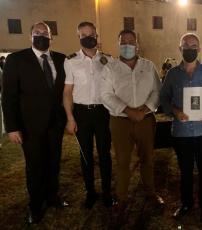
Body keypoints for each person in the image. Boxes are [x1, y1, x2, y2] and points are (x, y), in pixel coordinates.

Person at [1, 22, 69, 224]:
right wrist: (12, 127)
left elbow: (65, 91)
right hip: (30, 126)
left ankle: (52, 196)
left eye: (45, 33)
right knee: (35, 166)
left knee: (54, 162)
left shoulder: (61, 59)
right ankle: (35, 205)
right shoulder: (16, 60)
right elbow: (8, 97)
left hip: (55, 124)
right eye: (36, 33)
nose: (41, 36)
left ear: (51, 37)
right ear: (30, 36)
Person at [160, 33, 202, 222]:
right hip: (182, 132)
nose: (190, 48)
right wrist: (175, 111)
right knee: (185, 170)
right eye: (186, 45)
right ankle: (186, 203)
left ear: (199, 48)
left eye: (193, 45)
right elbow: (163, 99)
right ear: (180, 48)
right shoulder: (172, 74)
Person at [100, 29, 163, 214]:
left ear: (137, 44)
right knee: (122, 161)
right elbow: (106, 95)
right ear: (118, 44)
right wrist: (128, 111)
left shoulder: (148, 66)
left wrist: (143, 110)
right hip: (120, 120)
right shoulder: (110, 68)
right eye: (123, 41)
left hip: (145, 119)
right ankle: (121, 197)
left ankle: (150, 192)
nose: (127, 45)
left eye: (131, 41)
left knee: (147, 158)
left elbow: (157, 91)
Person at [63, 21, 116, 209]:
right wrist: (70, 118)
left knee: (104, 155)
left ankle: (108, 193)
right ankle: (91, 193)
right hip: (81, 113)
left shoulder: (109, 60)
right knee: (85, 155)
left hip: (103, 113)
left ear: (96, 35)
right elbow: (67, 92)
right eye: (83, 34)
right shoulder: (70, 61)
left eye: (91, 33)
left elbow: (115, 89)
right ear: (78, 37)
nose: (88, 37)